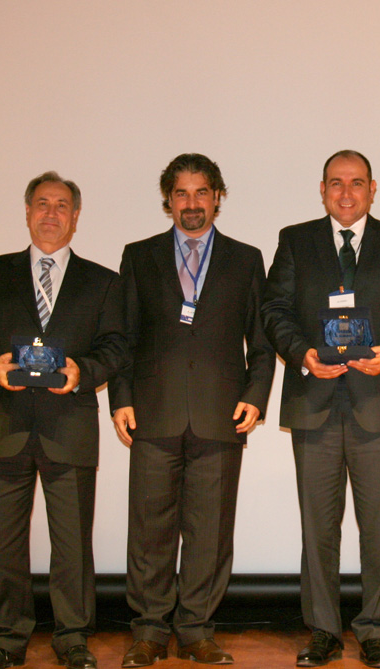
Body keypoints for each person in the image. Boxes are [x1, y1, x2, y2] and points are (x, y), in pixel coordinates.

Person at [261, 150, 380, 668]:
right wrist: (303, 355)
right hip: (313, 401)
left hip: (378, 403)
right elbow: (274, 310)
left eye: (356, 182)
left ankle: (375, 630)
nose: (345, 192)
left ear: (373, 189)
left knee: (378, 526)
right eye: (335, 183)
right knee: (318, 527)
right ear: (322, 190)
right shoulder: (295, 241)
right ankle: (323, 631)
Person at [0, 171, 128, 669]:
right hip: (4, 424)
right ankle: (6, 640)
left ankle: (73, 638)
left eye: (62, 205)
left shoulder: (103, 281)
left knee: (72, 543)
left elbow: (116, 347)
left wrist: (82, 372)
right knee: (3, 543)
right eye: (43, 204)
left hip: (69, 425)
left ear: (75, 217)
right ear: (28, 212)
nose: (52, 213)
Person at [109, 153, 275, 667]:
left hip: (221, 415)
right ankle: (149, 632)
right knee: (150, 531)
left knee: (210, 532)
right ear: (168, 200)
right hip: (152, 413)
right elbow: (121, 336)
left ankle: (197, 630)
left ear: (217, 197)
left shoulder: (246, 259)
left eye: (201, 191)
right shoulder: (139, 256)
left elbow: (262, 341)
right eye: (181, 193)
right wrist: (121, 398)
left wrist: (256, 395)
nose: (191, 202)